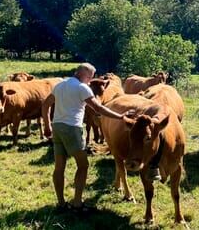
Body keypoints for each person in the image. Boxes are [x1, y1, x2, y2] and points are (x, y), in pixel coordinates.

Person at [42, 63, 132, 213]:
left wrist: (47, 125)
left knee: (59, 167)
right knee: (83, 166)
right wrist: (120, 116)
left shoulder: (60, 85)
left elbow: (45, 105)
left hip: (57, 127)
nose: (91, 80)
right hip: (72, 129)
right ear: (85, 75)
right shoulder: (82, 88)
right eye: (90, 77)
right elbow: (98, 108)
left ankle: (61, 203)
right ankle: (77, 203)